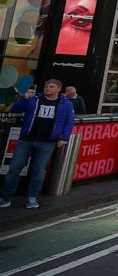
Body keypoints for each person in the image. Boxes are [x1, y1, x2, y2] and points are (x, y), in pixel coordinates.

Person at [0, 80, 76, 209]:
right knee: (14, 169)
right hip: (26, 139)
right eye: (46, 86)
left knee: (39, 171)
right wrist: (24, 98)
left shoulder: (66, 104)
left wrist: (64, 138)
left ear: (58, 89)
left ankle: (32, 198)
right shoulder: (33, 99)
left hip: (47, 142)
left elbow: (69, 121)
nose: (47, 88)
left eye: (51, 87)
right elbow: (16, 109)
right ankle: (5, 198)